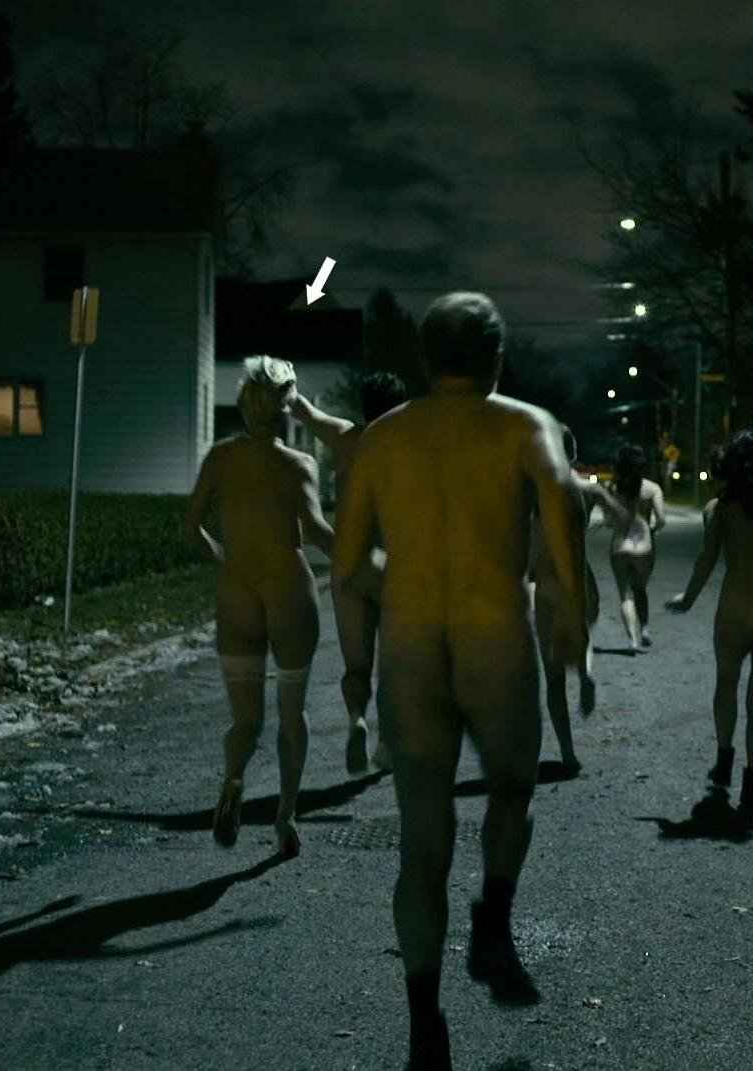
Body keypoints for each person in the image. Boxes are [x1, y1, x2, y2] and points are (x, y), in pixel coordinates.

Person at [332, 292, 586, 1071]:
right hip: (493, 637)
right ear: (496, 356)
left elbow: (347, 565)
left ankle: (424, 1026)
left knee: (422, 842)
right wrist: (573, 614)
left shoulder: (382, 438)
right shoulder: (525, 426)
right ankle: (493, 919)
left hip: (411, 646)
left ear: (425, 358)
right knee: (512, 787)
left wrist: (388, 610)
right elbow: (564, 501)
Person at [180, 356, 334, 858]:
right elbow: (316, 532)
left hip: (238, 592)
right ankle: (285, 817)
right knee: (292, 713)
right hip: (289, 591)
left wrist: (224, 558)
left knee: (245, 720)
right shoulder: (298, 465)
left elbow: (190, 529)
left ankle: (233, 779)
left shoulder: (221, 457)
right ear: (287, 405)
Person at [664, 430, 753, 811]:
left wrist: (687, 599)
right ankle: (752, 784)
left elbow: (707, 560)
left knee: (726, 684)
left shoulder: (720, 509)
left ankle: (724, 757)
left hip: (736, 608)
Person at [288, 372, 410, 773]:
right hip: (392, 565)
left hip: (350, 564)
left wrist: (285, 382)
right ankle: (387, 743)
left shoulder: (344, 438)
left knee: (356, 666)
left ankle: (357, 718)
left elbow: (303, 411)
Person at [528, 424, 603, 772]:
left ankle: (568, 753)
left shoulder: (531, 495)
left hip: (545, 589)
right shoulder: (579, 492)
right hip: (579, 581)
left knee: (553, 678)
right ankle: (585, 672)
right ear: (571, 453)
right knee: (582, 633)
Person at [605, 444, 667, 651]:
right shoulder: (652, 489)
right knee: (640, 588)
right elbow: (661, 520)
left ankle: (632, 640)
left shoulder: (614, 489)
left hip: (619, 546)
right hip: (643, 547)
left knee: (626, 595)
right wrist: (652, 529)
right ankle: (645, 629)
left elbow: (609, 521)